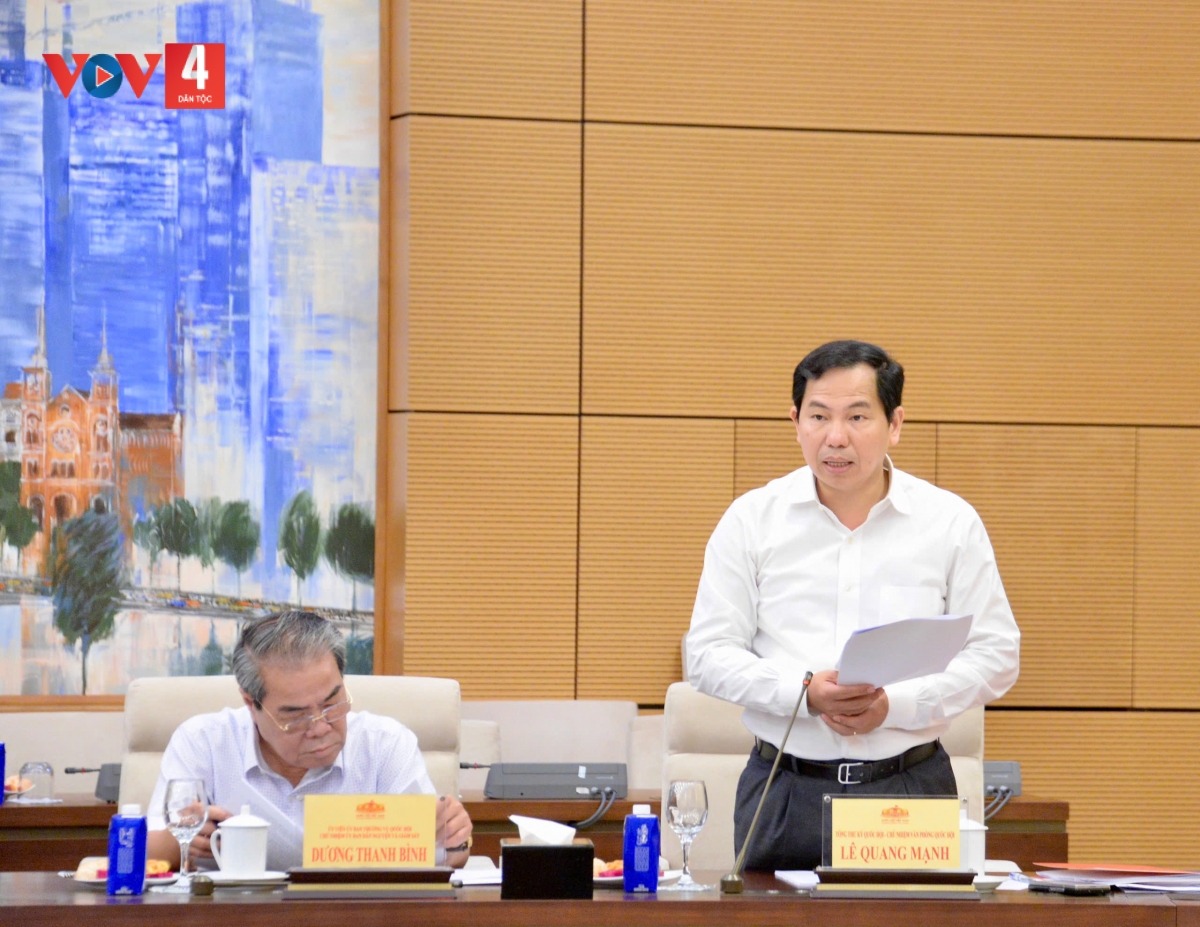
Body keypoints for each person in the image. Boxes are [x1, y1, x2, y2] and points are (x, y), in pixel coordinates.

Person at [686, 340, 1020, 870]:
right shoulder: (751, 521)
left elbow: (996, 655)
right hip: (785, 789)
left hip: (908, 787)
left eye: (858, 416)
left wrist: (896, 705)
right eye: (819, 416)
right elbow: (707, 655)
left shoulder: (949, 524)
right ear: (796, 422)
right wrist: (804, 692)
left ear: (895, 424)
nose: (835, 437)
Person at [146, 610, 473, 872]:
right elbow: (146, 854)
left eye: (332, 704)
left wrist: (453, 839)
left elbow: (443, 854)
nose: (320, 728)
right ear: (250, 703)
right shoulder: (203, 742)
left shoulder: (385, 745)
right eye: (296, 715)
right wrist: (185, 837)